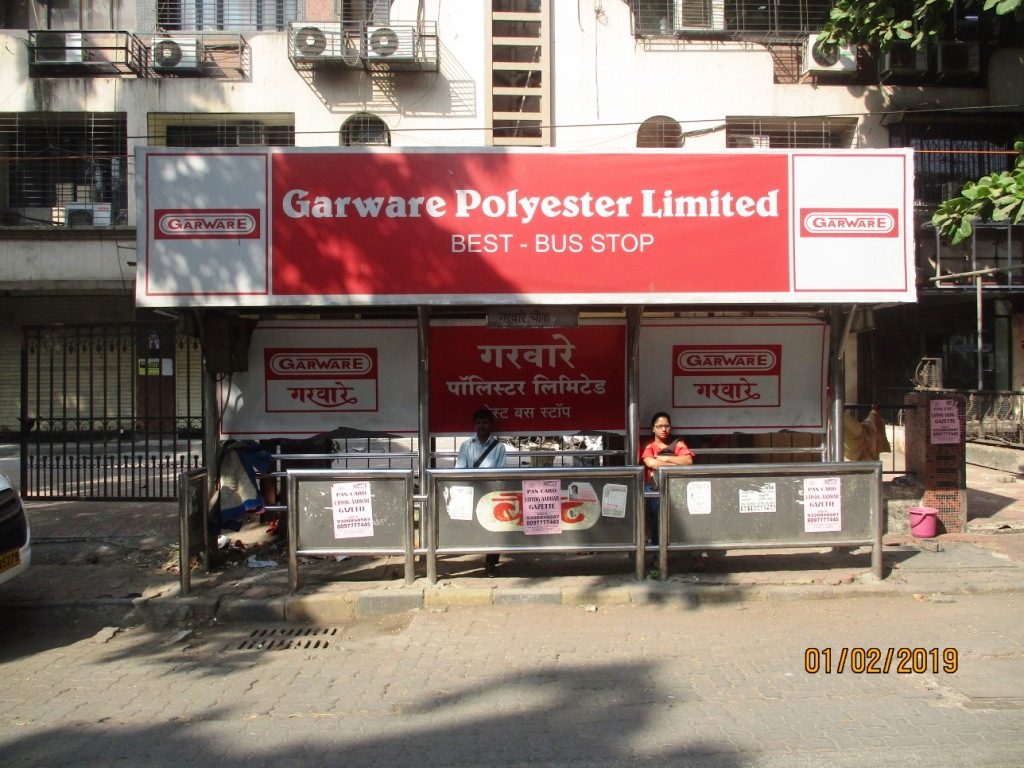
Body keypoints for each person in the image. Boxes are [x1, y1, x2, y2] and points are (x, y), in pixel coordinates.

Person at [639, 412, 701, 569]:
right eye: (660, 426)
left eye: (666, 426)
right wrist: (675, 464)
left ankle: (696, 556)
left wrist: (665, 459)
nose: (664, 429)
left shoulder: (678, 443)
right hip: (655, 487)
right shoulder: (649, 446)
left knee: (690, 519)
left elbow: (688, 460)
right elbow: (650, 463)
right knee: (657, 518)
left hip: (678, 486)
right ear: (653, 429)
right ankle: (657, 554)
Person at [455, 407, 508, 577]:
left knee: (495, 528)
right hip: (470, 492)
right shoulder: (466, 446)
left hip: (491, 494)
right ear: (474, 425)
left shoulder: (499, 447)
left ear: (490, 425)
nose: (482, 426)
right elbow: (459, 470)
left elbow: (501, 472)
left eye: (485, 423)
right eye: (478, 423)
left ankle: (491, 563)